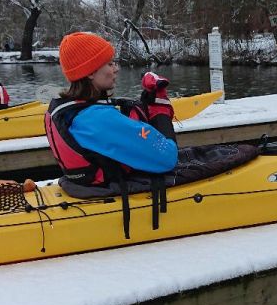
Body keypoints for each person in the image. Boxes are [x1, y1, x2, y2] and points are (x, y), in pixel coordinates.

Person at [44, 32, 178, 189]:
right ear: (90, 72)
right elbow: (168, 157)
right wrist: (160, 110)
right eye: (110, 64)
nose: (116, 69)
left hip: (88, 185)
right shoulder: (99, 118)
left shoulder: (71, 111)